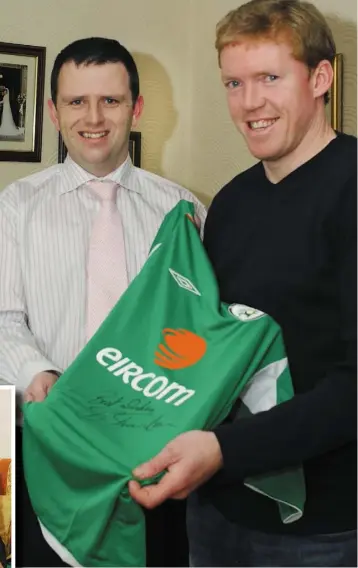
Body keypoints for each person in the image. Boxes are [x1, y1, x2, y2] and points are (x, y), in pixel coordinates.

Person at [128, 1, 357, 566]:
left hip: (324, 528)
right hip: (215, 510)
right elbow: (212, 346)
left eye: (269, 78)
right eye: (234, 82)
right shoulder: (230, 202)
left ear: (321, 78)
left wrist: (222, 450)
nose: (249, 102)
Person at [0, 37, 206, 567]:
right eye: (76, 101)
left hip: (155, 460)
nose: (93, 117)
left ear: (136, 108)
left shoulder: (183, 210)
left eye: (110, 101)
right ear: (52, 112)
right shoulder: (15, 208)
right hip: (49, 453)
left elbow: (200, 329)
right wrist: (37, 375)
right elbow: (2, 318)